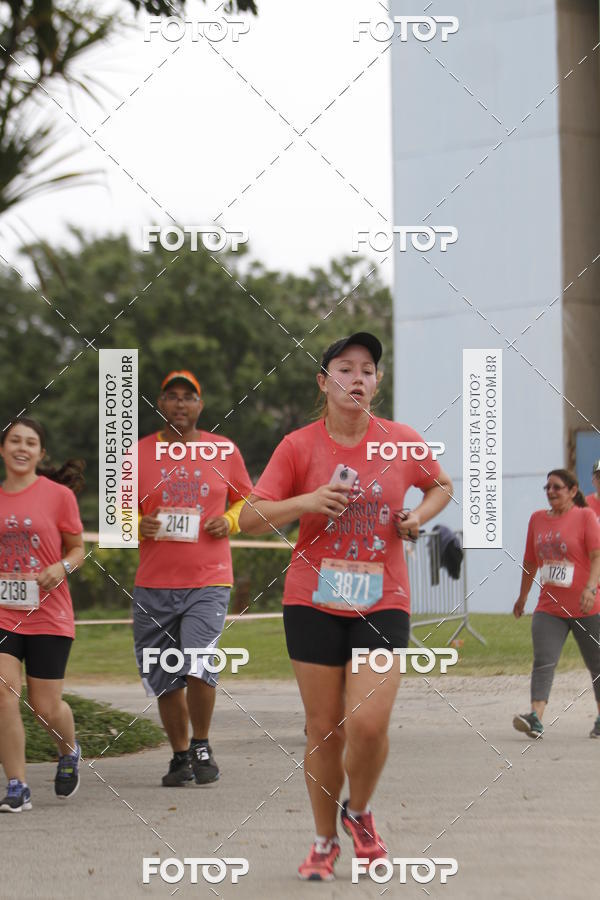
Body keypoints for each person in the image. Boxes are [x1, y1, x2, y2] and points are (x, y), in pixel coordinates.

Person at [239, 333, 453, 881]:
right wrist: (305, 502)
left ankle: (359, 813)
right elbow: (248, 517)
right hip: (312, 600)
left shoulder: (401, 441)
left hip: (383, 599)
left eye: (366, 370)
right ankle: (322, 840)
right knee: (324, 729)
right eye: (344, 369)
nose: (356, 378)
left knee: (370, 725)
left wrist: (417, 517)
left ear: (377, 382)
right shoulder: (297, 446)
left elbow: (441, 485)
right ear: (324, 381)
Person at [134, 370, 253, 787]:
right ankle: (180, 755)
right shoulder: (137, 454)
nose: (180, 404)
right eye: (172, 396)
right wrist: (137, 525)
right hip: (154, 583)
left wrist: (230, 520)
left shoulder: (224, 451)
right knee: (164, 673)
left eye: (189, 397)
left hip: (208, 579)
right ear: (160, 404)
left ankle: (202, 744)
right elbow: (116, 514)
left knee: (200, 663)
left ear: (200, 406)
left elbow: (246, 500)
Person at [0, 417, 85, 812]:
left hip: (49, 612)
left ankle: (68, 750)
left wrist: (61, 568)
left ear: (40, 453)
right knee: (3, 693)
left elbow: (77, 549)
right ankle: (17, 786)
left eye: (30, 442)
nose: (21, 447)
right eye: (14, 440)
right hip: (3, 612)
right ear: (2, 449)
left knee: (44, 707)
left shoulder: (57, 496)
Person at [512, 468, 600, 739]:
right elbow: (530, 562)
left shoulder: (585, 516)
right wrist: (523, 596)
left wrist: (591, 589)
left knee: (597, 664)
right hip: (549, 607)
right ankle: (536, 718)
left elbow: (597, 555)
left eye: (557, 487)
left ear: (573, 491)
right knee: (543, 662)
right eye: (547, 487)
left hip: (588, 607)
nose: (550, 492)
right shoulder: (537, 519)